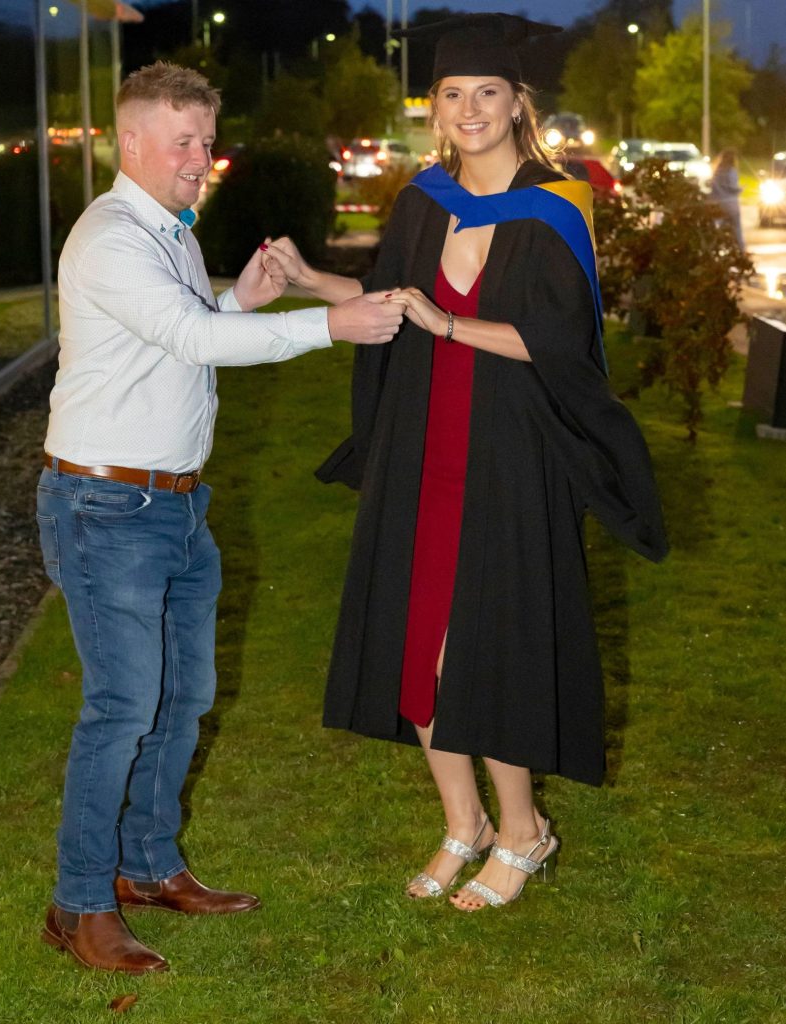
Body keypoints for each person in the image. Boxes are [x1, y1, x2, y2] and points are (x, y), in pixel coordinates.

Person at [264, 13, 667, 912]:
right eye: (453, 94)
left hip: (509, 454)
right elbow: (385, 300)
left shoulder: (557, 205)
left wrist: (449, 325)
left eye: (488, 91)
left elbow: (559, 343)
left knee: (488, 644)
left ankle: (522, 830)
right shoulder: (423, 200)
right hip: (420, 443)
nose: (471, 107)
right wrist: (304, 278)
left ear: (519, 104)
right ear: (436, 110)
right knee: (414, 640)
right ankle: (462, 823)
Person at [36, 61, 404, 974]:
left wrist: (244, 297)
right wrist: (330, 324)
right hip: (106, 504)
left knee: (184, 697)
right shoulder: (112, 236)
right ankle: (77, 903)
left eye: (207, 139)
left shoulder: (168, 230)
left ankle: (150, 867)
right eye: (184, 141)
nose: (203, 157)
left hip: (174, 504)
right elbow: (192, 341)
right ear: (131, 143)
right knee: (122, 708)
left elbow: (185, 330)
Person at [709, 148, 744, 249]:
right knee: (736, 229)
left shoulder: (716, 171)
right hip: (731, 204)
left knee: (718, 227)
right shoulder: (731, 171)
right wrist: (740, 189)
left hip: (718, 204)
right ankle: (741, 251)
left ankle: (714, 249)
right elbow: (732, 187)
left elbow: (712, 187)